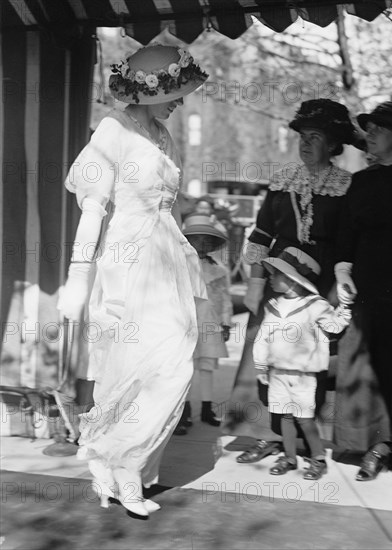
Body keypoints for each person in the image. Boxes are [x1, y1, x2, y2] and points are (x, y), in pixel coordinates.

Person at [57, 44, 209, 517]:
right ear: (146, 92)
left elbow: (172, 206)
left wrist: (189, 258)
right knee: (129, 370)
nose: (179, 103)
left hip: (167, 258)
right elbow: (93, 208)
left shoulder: (163, 136)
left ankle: (124, 462)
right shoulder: (113, 129)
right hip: (128, 257)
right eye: (173, 93)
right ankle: (120, 473)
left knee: (174, 367)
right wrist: (77, 278)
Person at [222, 98, 361, 463]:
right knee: (263, 356)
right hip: (276, 281)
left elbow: (348, 241)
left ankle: (301, 441)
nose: (305, 143)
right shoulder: (283, 178)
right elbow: (260, 234)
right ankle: (264, 434)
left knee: (306, 362)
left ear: (333, 145)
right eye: (302, 136)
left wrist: (339, 285)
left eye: (315, 137)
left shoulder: (346, 185)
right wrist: (254, 283)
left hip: (319, 287)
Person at [334, 93, 392, 494]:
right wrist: (342, 267)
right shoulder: (361, 180)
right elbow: (347, 232)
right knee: (365, 369)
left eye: (377, 129)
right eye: (367, 129)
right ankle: (375, 446)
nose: (368, 135)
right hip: (369, 286)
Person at [253, 248, 351, 478]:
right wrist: (260, 364)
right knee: (284, 416)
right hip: (277, 372)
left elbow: (334, 326)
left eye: (274, 274)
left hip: (303, 375)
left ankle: (317, 458)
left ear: (291, 279)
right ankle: (289, 457)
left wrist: (345, 308)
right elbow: (262, 337)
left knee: (304, 419)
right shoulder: (273, 305)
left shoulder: (316, 305)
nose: (270, 277)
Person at [174, 214, 233, 435]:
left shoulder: (218, 268)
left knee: (206, 365)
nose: (201, 243)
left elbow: (225, 297)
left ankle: (207, 409)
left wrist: (226, 323)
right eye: (196, 238)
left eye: (206, 239)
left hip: (210, 321)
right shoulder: (178, 264)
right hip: (185, 321)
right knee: (185, 366)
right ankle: (183, 411)